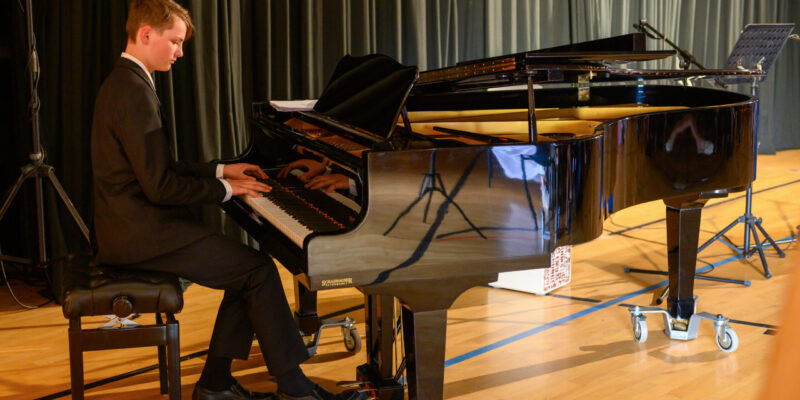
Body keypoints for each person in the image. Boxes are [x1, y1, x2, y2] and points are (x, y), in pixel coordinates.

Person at [90, 1, 365, 399]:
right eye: (175, 42)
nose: (180, 52)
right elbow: (160, 187)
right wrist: (227, 191)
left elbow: (161, 167)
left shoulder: (126, 83)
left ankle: (215, 385)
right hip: (138, 234)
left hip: (131, 225)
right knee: (256, 270)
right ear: (146, 34)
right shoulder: (132, 91)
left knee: (246, 271)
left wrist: (222, 171)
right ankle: (294, 388)